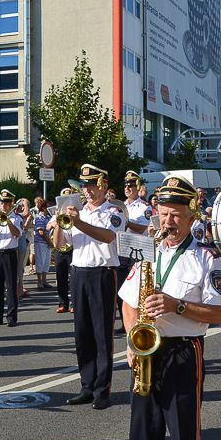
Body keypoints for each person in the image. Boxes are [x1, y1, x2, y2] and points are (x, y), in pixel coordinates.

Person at [113, 176, 221, 440]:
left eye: (176, 215)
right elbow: (128, 301)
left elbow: (219, 314)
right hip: (148, 348)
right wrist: (134, 342)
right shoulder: (148, 250)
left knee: (183, 432)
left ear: (191, 216)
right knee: (142, 429)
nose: (168, 222)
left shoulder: (206, 258)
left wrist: (177, 304)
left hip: (183, 350)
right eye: (163, 214)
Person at [64, 164, 127, 409]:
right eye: (84, 187)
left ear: (104, 187)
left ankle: (102, 390)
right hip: (79, 272)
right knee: (82, 333)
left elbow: (109, 237)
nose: (87, 191)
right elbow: (62, 245)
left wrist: (77, 223)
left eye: (91, 186)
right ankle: (86, 386)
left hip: (102, 273)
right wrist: (61, 224)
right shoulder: (77, 213)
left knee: (102, 334)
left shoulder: (114, 211)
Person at [0, 189, 23, 327]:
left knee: (11, 286)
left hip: (10, 254)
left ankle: (12, 317)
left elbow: (17, 234)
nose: (4, 205)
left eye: (7, 203)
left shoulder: (17, 218)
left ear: (11, 204)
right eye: (2, 202)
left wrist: (7, 222)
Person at [120, 170, 152, 328]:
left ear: (137, 187)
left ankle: (142, 318)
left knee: (139, 287)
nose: (127, 188)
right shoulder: (120, 206)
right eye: (126, 185)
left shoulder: (144, 207)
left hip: (138, 250)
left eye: (131, 185)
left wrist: (125, 222)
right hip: (123, 248)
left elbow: (141, 228)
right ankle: (126, 321)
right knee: (123, 288)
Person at [52, 187, 75, 313]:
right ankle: (62, 303)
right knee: (60, 277)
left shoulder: (75, 214)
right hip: (60, 250)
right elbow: (48, 225)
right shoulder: (58, 213)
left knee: (73, 279)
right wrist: (56, 220)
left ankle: (74, 303)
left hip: (73, 249)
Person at [32, 198, 52, 289]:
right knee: (40, 262)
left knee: (46, 262)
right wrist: (49, 241)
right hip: (41, 242)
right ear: (43, 208)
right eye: (48, 207)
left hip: (46, 242)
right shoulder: (39, 217)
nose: (50, 208)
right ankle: (39, 282)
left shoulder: (48, 217)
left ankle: (44, 281)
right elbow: (41, 232)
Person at [16, 198, 34, 299]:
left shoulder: (18, 216)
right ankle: (17, 291)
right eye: (20, 207)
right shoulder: (15, 215)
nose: (22, 208)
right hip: (18, 244)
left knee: (20, 269)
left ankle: (20, 290)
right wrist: (26, 203)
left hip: (23, 241)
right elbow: (26, 213)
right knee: (18, 269)